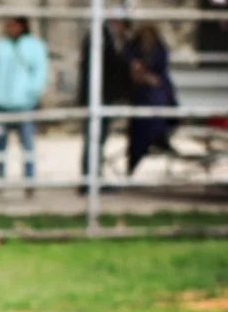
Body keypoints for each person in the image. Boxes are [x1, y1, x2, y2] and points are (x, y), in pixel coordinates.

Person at [0, 16, 49, 186]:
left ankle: (29, 179)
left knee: (27, 143)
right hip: (2, 104)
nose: (9, 28)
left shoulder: (34, 46)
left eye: (12, 25)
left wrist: (32, 93)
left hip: (25, 105)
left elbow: (40, 72)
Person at [76, 18, 132, 186]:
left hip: (100, 96)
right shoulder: (101, 38)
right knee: (94, 139)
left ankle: (93, 177)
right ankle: (90, 180)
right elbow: (110, 65)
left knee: (97, 140)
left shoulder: (101, 37)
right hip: (98, 97)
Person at [125, 23, 178, 174]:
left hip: (159, 90)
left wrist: (154, 79)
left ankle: (160, 137)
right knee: (144, 119)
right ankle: (146, 145)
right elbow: (132, 69)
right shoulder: (133, 49)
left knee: (163, 104)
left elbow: (162, 69)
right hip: (141, 93)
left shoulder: (159, 50)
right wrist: (144, 77)